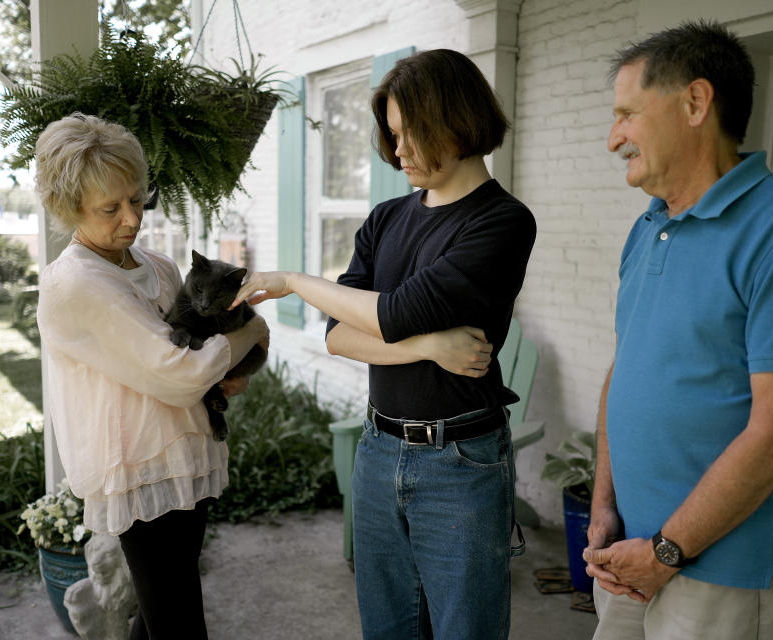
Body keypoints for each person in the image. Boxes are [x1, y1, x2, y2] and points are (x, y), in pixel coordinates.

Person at [231, 49, 536, 639]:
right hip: (378, 450)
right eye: (391, 137)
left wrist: (293, 281)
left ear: (457, 119)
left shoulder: (501, 222)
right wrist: (429, 348)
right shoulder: (386, 218)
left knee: (463, 630)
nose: (398, 153)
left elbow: (393, 313)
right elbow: (341, 336)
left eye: (410, 134)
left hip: (461, 464)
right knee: (387, 628)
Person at [580, 20, 773, 640]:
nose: (612, 138)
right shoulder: (647, 226)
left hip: (719, 566)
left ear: (695, 102)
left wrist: (667, 553)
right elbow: (625, 371)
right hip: (629, 551)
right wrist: (604, 506)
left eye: (626, 114)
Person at [35, 113, 269, 640]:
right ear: (67, 208)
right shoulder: (76, 282)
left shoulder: (156, 265)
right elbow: (181, 373)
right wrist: (251, 335)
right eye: (110, 208)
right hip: (141, 470)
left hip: (187, 457)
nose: (131, 219)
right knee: (180, 621)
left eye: (137, 199)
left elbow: (207, 350)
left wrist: (232, 365)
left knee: (163, 610)